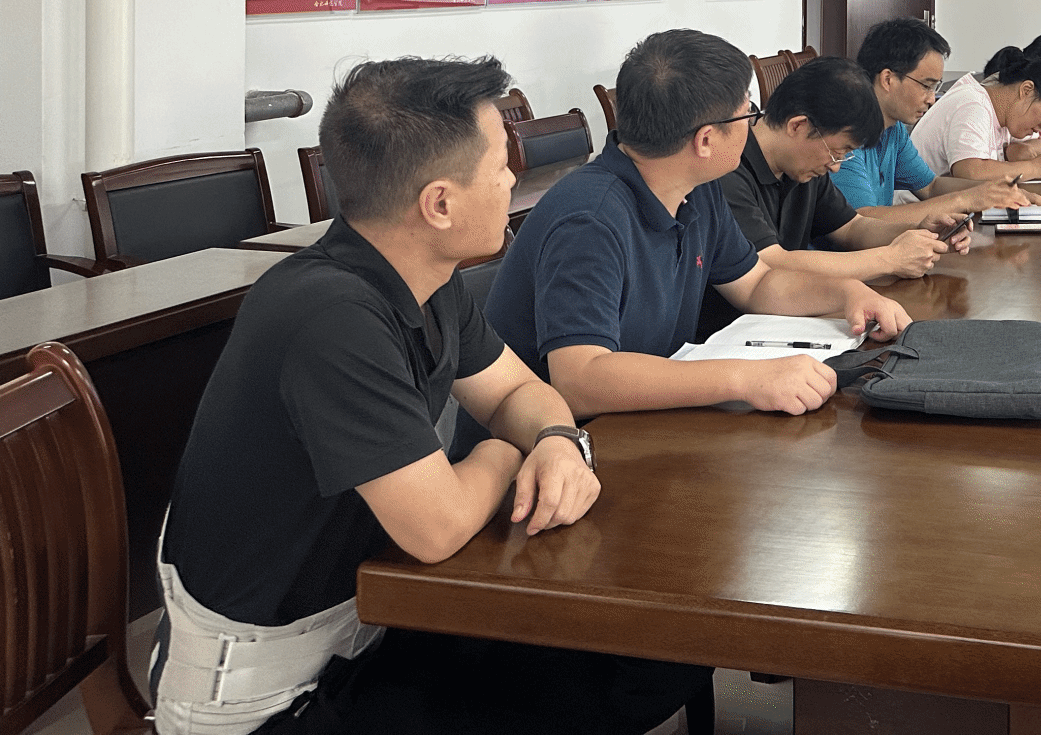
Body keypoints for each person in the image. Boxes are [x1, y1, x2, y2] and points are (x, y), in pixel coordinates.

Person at [154, 56, 706, 735]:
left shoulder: (425, 278)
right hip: (269, 698)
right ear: (439, 204)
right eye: (500, 167)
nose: (514, 179)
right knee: (594, 683)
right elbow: (438, 528)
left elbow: (518, 391)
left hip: (368, 629)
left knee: (650, 662)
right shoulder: (330, 317)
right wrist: (511, 451)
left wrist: (560, 441)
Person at [486, 29, 912, 421]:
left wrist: (846, 292)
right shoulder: (590, 219)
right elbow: (580, 379)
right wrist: (745, 378)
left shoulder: (698, 188)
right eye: (746, 115)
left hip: (643, 422)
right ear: (706, 139)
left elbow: (757, 284)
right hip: (549, 452)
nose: (754, 125)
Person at [719, 55, 968, 281]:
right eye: (836, 153)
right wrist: (890, 259)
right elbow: (770, 263)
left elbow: (851, 228)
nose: (836, 167)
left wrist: (920, 231)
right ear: (798, 126)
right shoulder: (728, 170)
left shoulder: (802, 167)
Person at [836, 18, 1036, 223]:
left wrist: (995, 192)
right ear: (888, 79)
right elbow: (862, 219)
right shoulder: (844, 130)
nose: (932, 99)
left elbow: (931, 186)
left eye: (935, 87)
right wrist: (966, 199)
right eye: (926, 86)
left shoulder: (893, 129)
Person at [911, 44, 1041, 180]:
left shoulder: (1005, 116)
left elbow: (1021, 151)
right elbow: (970, 172)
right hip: (917, 209)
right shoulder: (973, 104)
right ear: (1026, 90)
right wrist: (1035, 168)